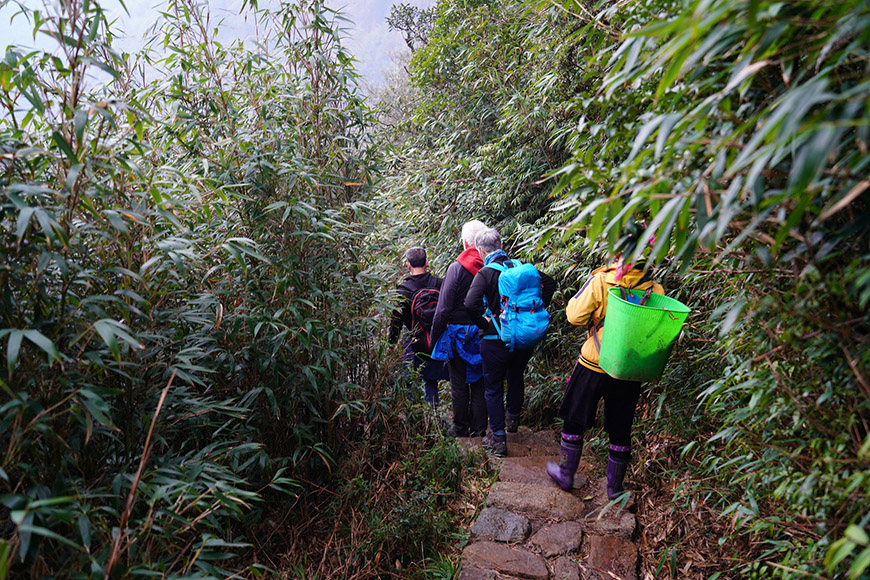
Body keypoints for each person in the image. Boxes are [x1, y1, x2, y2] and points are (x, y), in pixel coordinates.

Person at [546, 249, 664, 498]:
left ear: (619, 254)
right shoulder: (656, 290)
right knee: (621, 426)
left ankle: (566, 475)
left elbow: (575, 316)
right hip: (629, 368)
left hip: (594, 363)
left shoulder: (601, 281)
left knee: (574, 418)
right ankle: (614, 489)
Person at [464, 228, 556, 456]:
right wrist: (535, 310)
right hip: (523, 338)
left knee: (493, 388)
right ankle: (513, 420)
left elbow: (469, 303)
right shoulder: (522, 268)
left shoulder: (485, 274)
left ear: (480, 250)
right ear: (502, 244)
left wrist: (484, 323)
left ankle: (498, 438)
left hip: (495, 341)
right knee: (516, 376)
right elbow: (551, 283)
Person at [430, 220, 489, 438]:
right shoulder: (492, 266)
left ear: (465, 243)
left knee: (459, 382)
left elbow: (443, 308)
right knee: (481, 382)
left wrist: (434, 337)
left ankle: (461, 427)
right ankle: (480, 427)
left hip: (458, 335)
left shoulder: (457, 268)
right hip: (486, 332)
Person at [389, 246, 449, 406]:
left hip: (413, 338)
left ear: (408, 265)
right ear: (427, 262)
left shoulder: (403, 290)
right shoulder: (439, 284)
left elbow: (396, 320)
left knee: (410, 377)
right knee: (431, 378)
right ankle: (433, 417)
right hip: (435, 337)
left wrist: (391, 344)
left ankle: (415, 417)